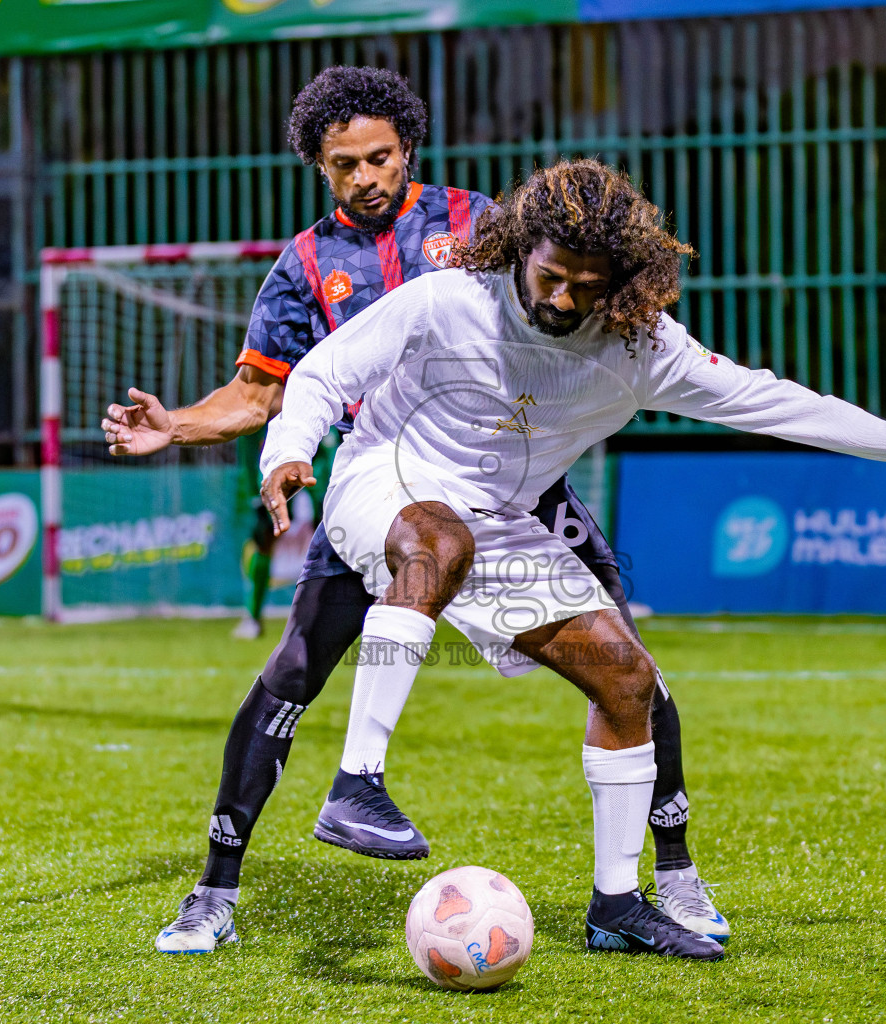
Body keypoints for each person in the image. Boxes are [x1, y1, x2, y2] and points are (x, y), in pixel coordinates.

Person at [258, 158, 886, 960]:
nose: (564, 298)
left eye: (586, 282)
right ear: (516, 251)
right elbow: (325, 372)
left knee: (627, 678)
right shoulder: (446, 300)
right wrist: (288, 450)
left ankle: (616, 905)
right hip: (385, 483)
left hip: (496, 524)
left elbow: (766, 398)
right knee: (442, 544)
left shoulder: (640, 347)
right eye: (550, 275)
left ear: (619, 279)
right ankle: (356, 784)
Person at [102, 68, 726, 952]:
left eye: (380, 157)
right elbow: (257, 393)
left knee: (636, 676)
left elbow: (579, 293)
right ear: (320, 166)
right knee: (287, 680)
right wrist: (175, 425)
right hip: (383, 498)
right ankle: (214, 892)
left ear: (410, 148)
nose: (366, 177)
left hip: (514, 486)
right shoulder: (306, 264)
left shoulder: (480, 224)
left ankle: (672, 878)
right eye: (344, 163)